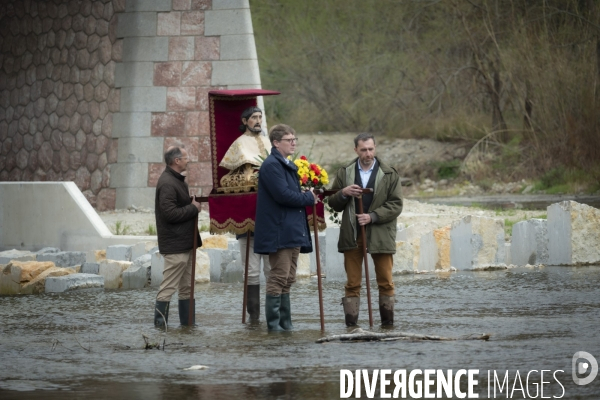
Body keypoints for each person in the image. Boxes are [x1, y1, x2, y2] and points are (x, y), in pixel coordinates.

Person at [328, 133, 403, 327]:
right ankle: (351, 328)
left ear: (375, 148)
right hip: (352, 233)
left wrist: (373, 216)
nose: (368, 153)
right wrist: (343, 193)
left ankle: (387, 326)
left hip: (380, 233)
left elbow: (396, 205)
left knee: (386, 281)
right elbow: (333, 203)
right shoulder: (345, 172)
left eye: (371, 149)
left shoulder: (390, 174)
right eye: (363, 150)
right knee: (352, 283)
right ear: (356, 150)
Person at [253, 124, 318, 331]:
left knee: (289, 278)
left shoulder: (285, 164)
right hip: (279, 230)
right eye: (289, 140)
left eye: (294, 139)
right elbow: (282, 195)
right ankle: (274, 327)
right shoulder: (272, 165)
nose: (293, 143)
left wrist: (304, 193)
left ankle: (285, 324)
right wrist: (308, 197)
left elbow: (289, 192)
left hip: (291, 229)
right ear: (276, 143)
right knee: (279, 276)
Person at [222, 107, 272, 321]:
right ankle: (253, 318)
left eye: (260, 117)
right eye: (254, 117)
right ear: (245, 121)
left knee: (272, 270)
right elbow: (231, 175)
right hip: (248, 215)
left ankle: (273, 314)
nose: (258, 121)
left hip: (270, 217)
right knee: (251, 271)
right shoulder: (239, 143)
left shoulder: (269, 141)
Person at [154, 145, 202, 327]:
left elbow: (175, 207)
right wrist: (192, 208)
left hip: (185, 243)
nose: (188, 160)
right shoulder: (167, 182)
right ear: (177, 161)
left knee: (187, 289)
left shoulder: (176, 180)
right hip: (175, 245)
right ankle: (159, 330)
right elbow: (169, 214)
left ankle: (188, 328)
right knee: (167, 288)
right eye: (186, 157)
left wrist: (189, 204)